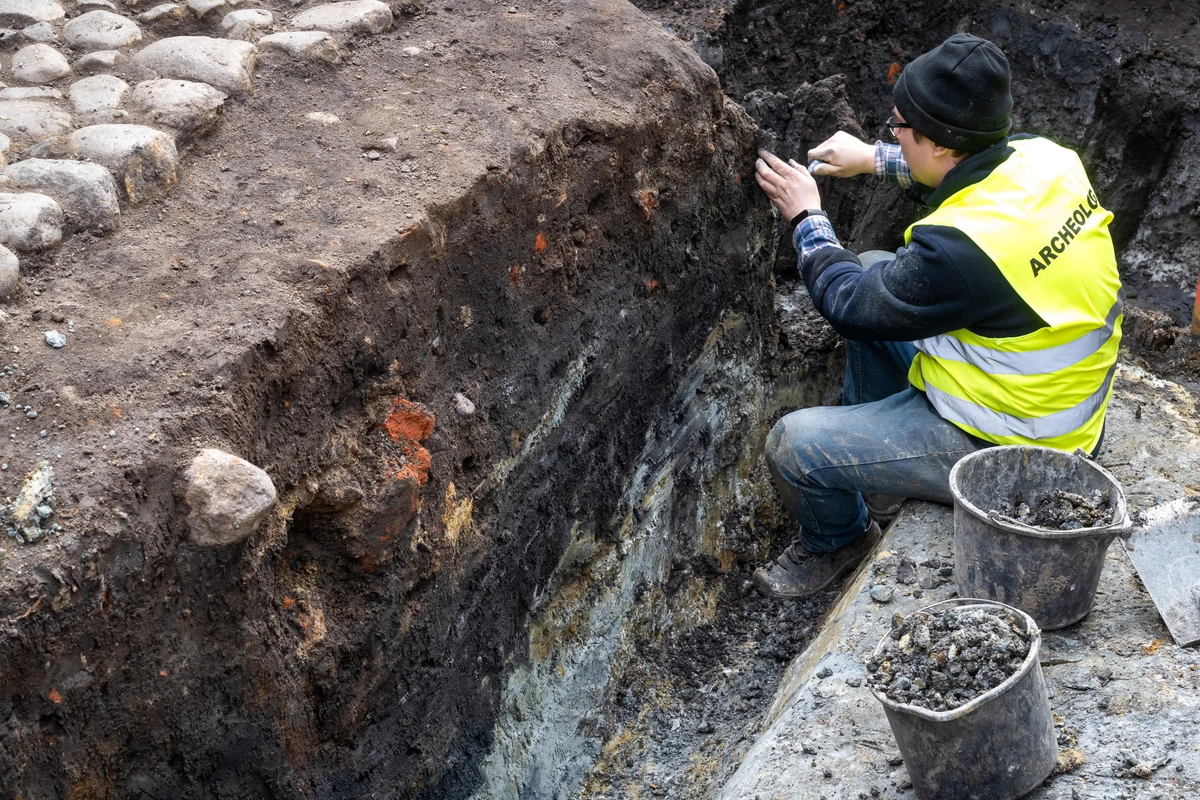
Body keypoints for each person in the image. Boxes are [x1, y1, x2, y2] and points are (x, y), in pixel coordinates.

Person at [750, 33, 1124, 599]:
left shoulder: (961, 249)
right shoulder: (1049, 158)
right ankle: (878, 480)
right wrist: (874, 159)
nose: (890, 132)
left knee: (794, 446)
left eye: (897, 126)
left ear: (940, 143)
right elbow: (968, 169)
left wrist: (807, 218)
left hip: (1011, 447)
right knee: (877, 265)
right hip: (1048, 401)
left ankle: (840, 539)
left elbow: (850, 307)